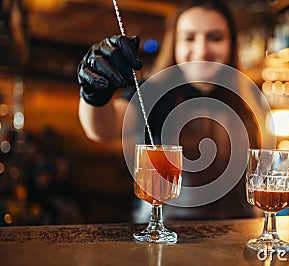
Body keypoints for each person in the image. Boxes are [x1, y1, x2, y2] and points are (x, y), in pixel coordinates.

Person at [77, 0, 273, 221]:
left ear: (232, 43)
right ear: (175, 43)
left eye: (215, 37)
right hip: (166, 236)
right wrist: (93, 94)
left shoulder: (247, 95)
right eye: (189, 38)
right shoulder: (154, 92)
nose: (202, 49)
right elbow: (103, 128)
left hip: (238, 234)